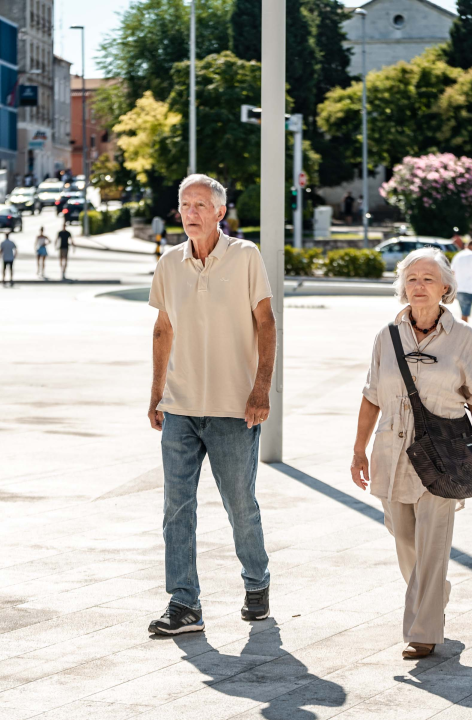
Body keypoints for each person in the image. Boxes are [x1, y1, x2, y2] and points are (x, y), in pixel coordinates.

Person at [351, 247, 472, 660]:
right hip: (391, 451)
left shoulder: (462, 338)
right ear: (402, 287)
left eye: (428, 279)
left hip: (443, 456)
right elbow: (370, 397)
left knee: (433, 544)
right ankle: (436, 593)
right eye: (412, 278)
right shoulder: (387, 336)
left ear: (446, 288)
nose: (419, 286)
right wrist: (358, 451)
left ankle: (424, 630)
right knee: (403, 538)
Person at [146, 174, 277, 636]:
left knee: (240, 504)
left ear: (220, 211)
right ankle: (184, 604)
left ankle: (256, 584)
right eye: (185, 204)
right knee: (176, 508)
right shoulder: (169, 262)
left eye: (201, 204)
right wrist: (156, 391)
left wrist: (261, 389)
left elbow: (266, 322)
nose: (191, 212)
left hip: (234, 408)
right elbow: (164, 329)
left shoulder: (245, 256)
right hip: (181, 406)